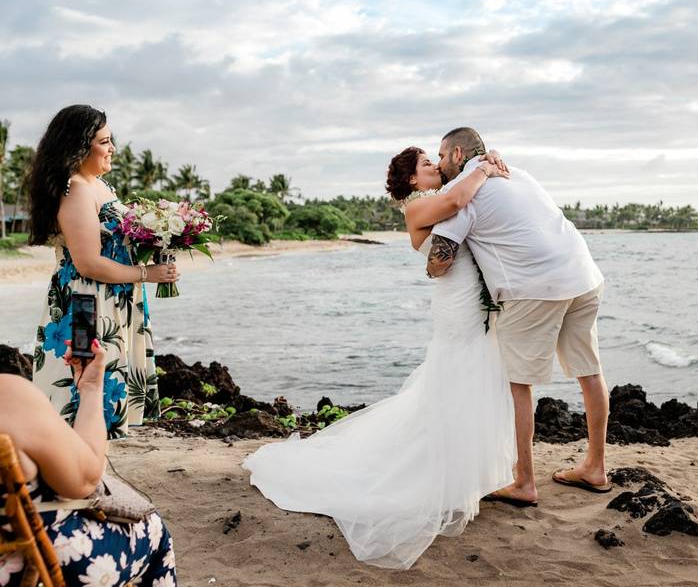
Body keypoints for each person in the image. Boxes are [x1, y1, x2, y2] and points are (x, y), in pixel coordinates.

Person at [243, 147, 516, 570]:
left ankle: (467, 473)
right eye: (427, 164)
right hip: (457, 305)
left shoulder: (435, 196)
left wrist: (486, 162)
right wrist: (484, 168)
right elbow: (460, 201)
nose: (435, 167)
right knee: (459, 374)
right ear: (411, 181)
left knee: (472, 375)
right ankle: (445, 474)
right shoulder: (419, 207)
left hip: (467, 300)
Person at [427, 127, 608, 506]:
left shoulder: (464, 192)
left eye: (441, 156)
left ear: (458, 154)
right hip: (583, 273)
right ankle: (595, 467)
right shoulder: (516, 172)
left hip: (534, 288)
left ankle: (525, 483)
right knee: (590, 372)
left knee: (517, 383)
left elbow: (439, 262)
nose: (439, 163)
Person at [25, 105, 178, 439]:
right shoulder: (76, 189)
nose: (112, 149)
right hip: (84, 304)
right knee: (83, 383)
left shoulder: (101, 185)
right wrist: (146, 274)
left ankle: (94, 456)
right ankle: (81, 461)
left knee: (100, 385)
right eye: (104, 141)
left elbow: (117, 241)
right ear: (79, 146)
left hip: (114, 299)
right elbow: (87, 262)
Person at [0, 340, 177, 586]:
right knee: (156, 532)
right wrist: (92, 388)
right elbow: (85, 480)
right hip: (29, 565)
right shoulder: (8, 394)